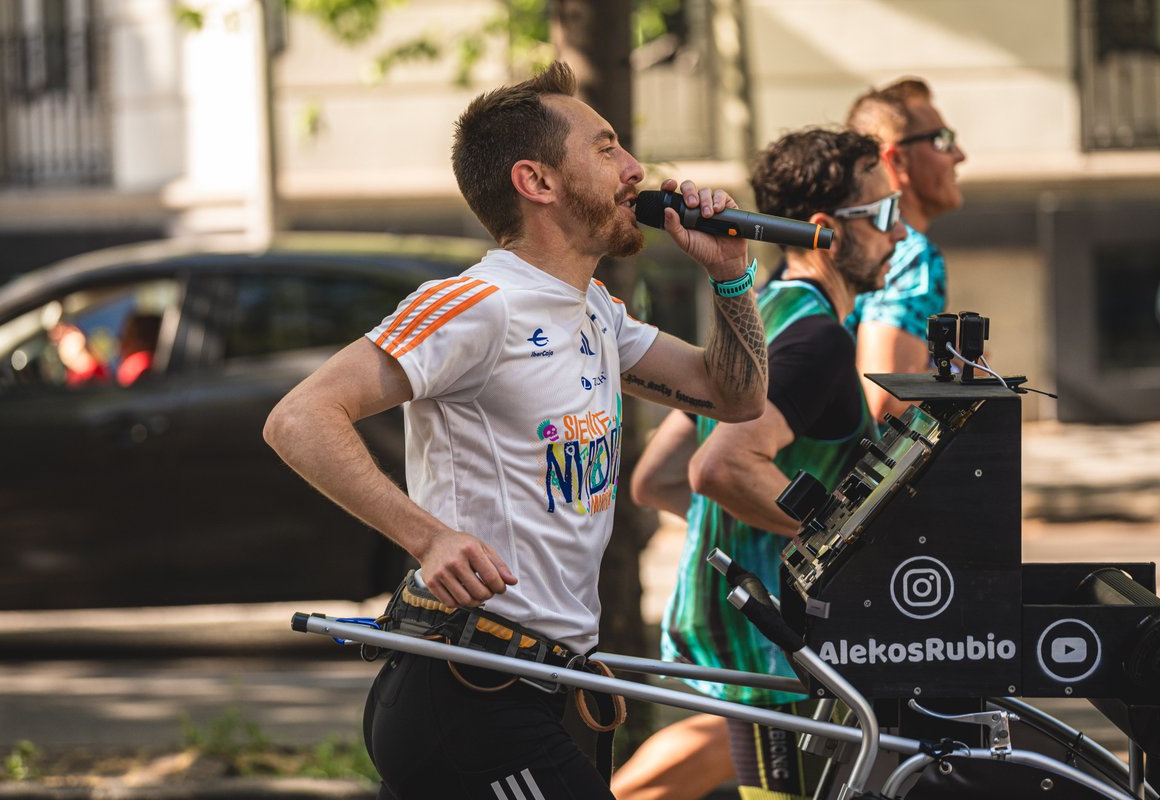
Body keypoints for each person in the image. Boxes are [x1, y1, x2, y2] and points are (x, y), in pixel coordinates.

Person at [263, 61, 771, 800]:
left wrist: (729, 276)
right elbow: (298, 417)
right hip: (468, 694)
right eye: (605, 149)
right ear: (538, 182)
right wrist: (426, 536)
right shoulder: (479, 303)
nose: (634, 170)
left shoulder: (594, 309)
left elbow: (735, 398)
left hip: (543, 685)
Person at [626, 128, 906, 800]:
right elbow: (720, 469)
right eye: (885, 216)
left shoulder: (763, 317)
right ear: (824, 231)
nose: (899, 235)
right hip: (772, 639)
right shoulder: (817, 340)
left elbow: (656, 478)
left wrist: (744, 532)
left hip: (748, 627)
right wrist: (835, 541)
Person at [845, 78, 966, 424]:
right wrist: (969, 377)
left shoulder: (851, 239)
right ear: (896, 159)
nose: (960, 155)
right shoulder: (911, 252)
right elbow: (885, 401)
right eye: (943, 141)